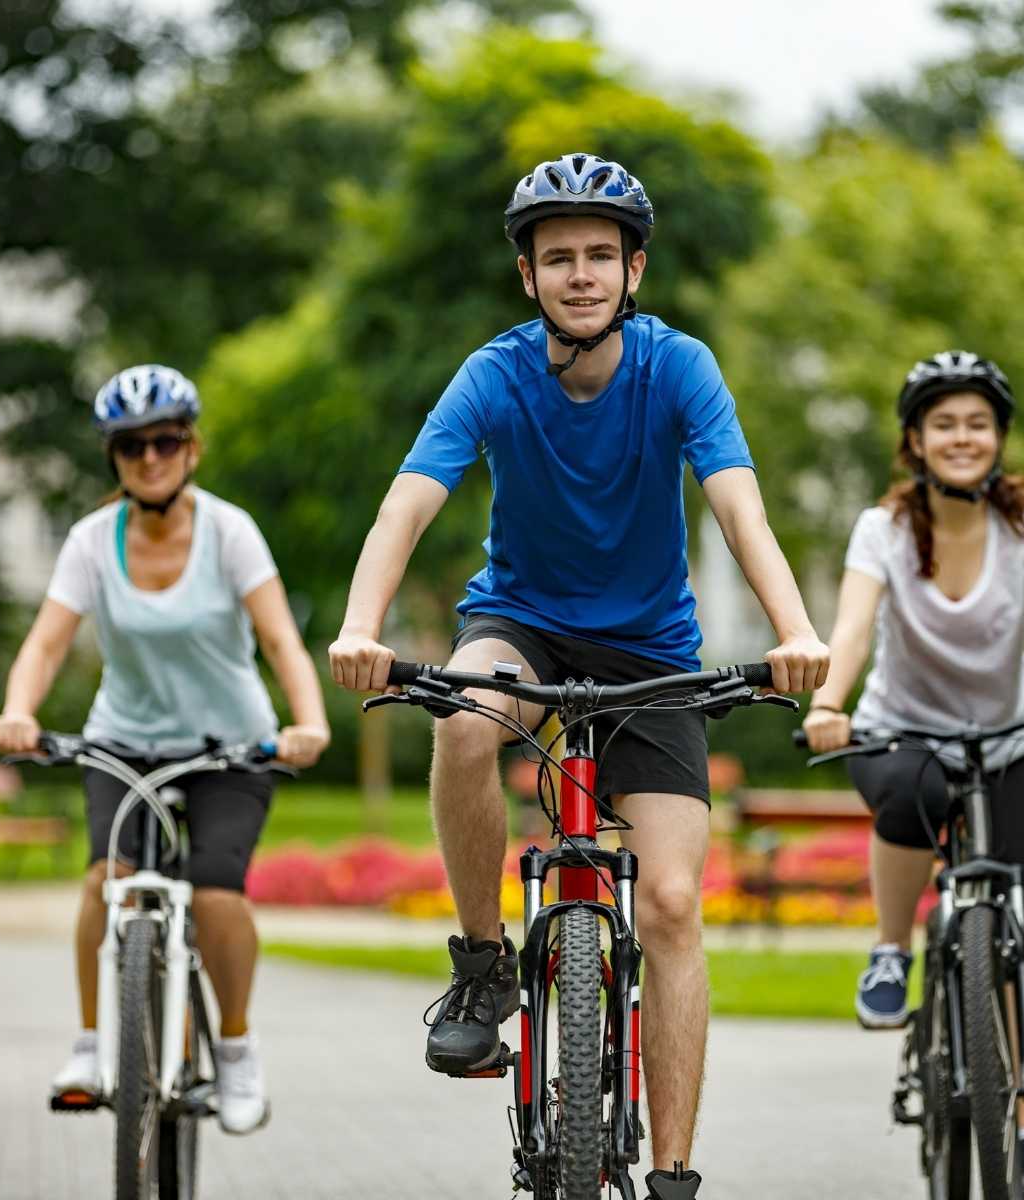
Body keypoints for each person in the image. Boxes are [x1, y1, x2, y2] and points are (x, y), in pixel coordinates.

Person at [328, 153, 828, 1199]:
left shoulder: (679, 367)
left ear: (634, 268)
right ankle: (481, 965)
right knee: (464, 721)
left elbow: (740, 507)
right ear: (529, 277)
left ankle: (677, 1173)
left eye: (602, 254)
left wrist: (795, 632)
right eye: (559, 258)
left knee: (678, 905)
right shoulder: (494, 374)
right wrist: (361, 624)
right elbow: (405, 503)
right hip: (523, 625)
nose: (582, 274)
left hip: (652, 649)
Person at [800, 350, 1024, 1193]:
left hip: (1007, 740)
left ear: (998, 438)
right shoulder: (882, 529)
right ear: (915, 440)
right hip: (898, 738)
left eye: (977, 424)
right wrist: (827, 702)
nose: (962, 437)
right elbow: (852, 627)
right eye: (943, 423)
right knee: (915, 793)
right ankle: (889, 951)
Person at [0, 364, 330, 1134]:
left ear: (192, 448)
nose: (150, 457)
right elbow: (46, 645)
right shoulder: (88, 541)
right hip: (125, 744)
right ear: (113, 457)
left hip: (229, 748)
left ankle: (237, 1050)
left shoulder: (228, 531)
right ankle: (87, 1048)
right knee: (102, 882)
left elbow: (279, 638)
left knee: (214, 894)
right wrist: (18, 709)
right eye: (131, 445)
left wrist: (306, 722)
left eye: (166, 440)